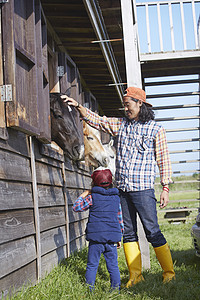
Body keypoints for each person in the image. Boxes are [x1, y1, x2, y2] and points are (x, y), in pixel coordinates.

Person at [64, 86, 175, 287]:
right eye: (124, 105)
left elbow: (164, 160)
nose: (126, 109)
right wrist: (79, 106)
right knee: (128, 233)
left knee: (152, 231)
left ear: (140, 103)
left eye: (128, 105)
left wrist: (165, 187)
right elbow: (98, 120)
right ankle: (135, 276)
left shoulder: (155, 129)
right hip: (122, 190)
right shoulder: (120, 125)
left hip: (143, 190)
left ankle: (169, 274)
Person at [73, 167, 124, 290]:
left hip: (96, 240)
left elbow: (76, 207)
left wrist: (84, 194)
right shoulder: (116, 198)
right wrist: (119, 237)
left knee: (92, 265)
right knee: (113, 266)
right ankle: (115, 290)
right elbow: (120, 219)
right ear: (111, 182)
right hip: (111, 240)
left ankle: (89, 290)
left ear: (94, 183)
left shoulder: (92, 198)